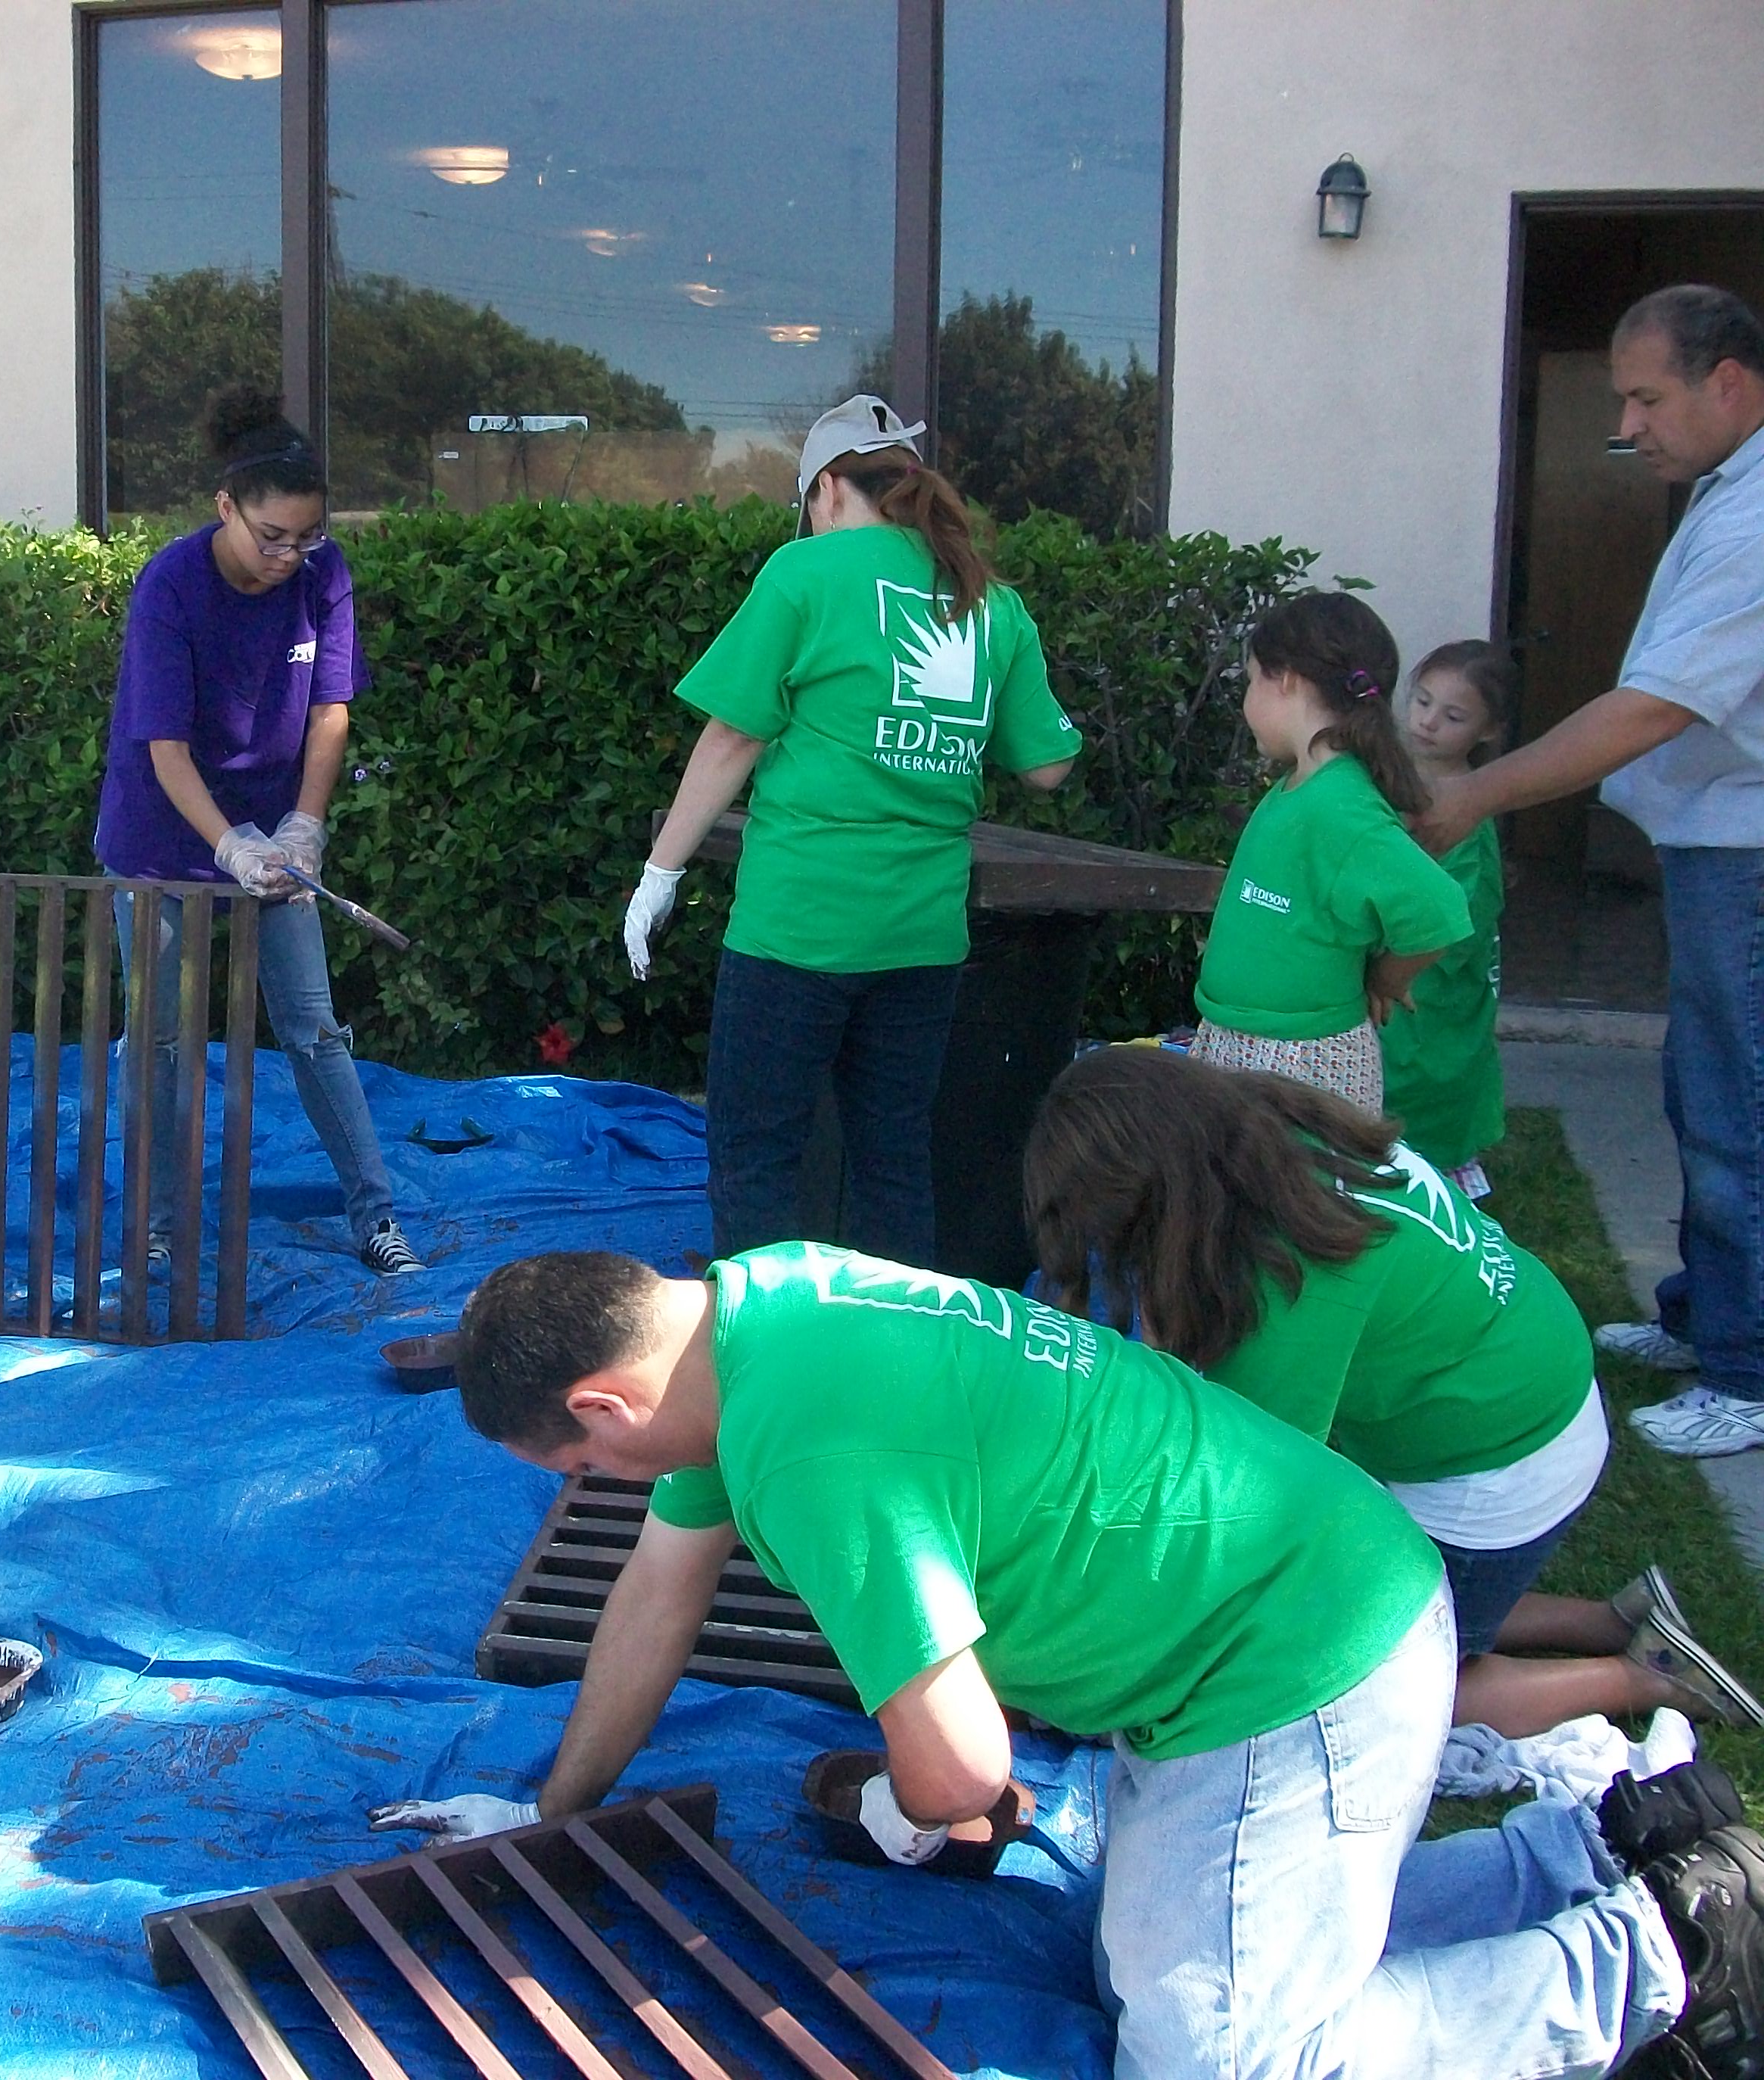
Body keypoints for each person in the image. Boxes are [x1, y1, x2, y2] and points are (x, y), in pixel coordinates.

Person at [378, 1244, 1734, 2078]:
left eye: (580, 1465)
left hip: (1301, 1662)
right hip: (1254, 1622)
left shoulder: (812, 1449)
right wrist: (550, 1809)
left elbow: (966, 1769)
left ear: (603, 1404)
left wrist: (901, 1808)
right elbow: (654, 1594)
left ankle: (1673, 1944)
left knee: (1222, 2061)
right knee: (1141, 1978)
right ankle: (1594, 1849)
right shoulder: (753, 1311)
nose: (602, 1487)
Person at [1024, 1045, 1758, 1741]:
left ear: (1160, 1199)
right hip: (1529, 1383)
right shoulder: (1268, 1130)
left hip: (1501, 1469)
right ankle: (1608, 1619)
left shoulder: (1289, 1285)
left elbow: (1245, 1499)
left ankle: (1645, 1676)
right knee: (1369, 1590)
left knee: (1359, 1680)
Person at [1415, 285, 1764, 1460]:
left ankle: (1749, 1370)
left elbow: (1654, 707)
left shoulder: (1757, 514)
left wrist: (1474, 794)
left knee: (1737, 1106)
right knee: (1703, 1090)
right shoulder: (1727, 489)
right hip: (1714, 845)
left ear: (1727, 382)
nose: (1627, 425)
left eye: (1646, 397)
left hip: (1747, 853)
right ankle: (1706, 1316)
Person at [622, 397, 1078, 1264]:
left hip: (797, 926)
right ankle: (890, 1339)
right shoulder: (991, 601)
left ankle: (766, 1339)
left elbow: (732, 738)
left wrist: (659, 875)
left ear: (828, 488)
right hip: (921, 936)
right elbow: (1048, 767)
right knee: (893, 1158)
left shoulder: (804, 573)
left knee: (757, 1155)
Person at [92, 388, 419, 1278]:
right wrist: (228, 845)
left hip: (275, 834)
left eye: (304, 538)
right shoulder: (171, 583)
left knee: (313, 1027)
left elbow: (329, 711)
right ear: (225, 508)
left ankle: (377, 1218)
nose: (287, 556)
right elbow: (163, 748)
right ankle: (157, 1229)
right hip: (164, 834)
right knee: (160, 1040)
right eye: (270, 536)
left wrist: (301, 827)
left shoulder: (322, 572)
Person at [1190, 590, 1472, 1109]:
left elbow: (1439, 909)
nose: (1247, 698)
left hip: (1297, 1063)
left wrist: (1384, 980)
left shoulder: (1340, 807)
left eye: (1252, 680)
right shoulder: (1301, 789)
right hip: (1248, 1046)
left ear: (1286, 679)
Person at [1382, 640, 1513, 1197]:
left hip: (1429, 986)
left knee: (1424, 1087)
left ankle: (1435, 1198)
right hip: (1384, 973)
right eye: (1422, 701)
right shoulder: (1387, 783)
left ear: (1489, 731)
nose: (1428, 722)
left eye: (1454, 716)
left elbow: (1459, 926)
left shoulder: (1468, 820)